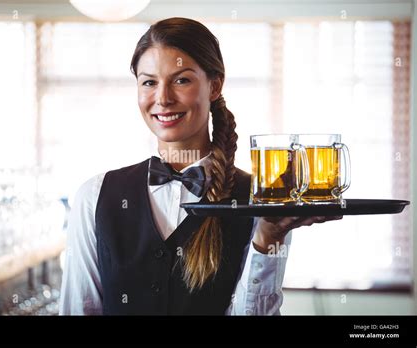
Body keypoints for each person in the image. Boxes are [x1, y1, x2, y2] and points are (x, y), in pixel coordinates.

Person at [59, 17, 341, 315]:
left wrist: (267, 239)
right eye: (149, 82)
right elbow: (79, 309)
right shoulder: (94, 196)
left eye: (181, 80)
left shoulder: (260, 201)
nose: (163, 98)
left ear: (215, 86)